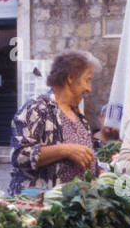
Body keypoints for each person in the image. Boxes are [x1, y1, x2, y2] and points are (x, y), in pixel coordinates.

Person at [8, 50, 100, 194]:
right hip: (41, 206)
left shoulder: (77, 114)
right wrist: (65, 150)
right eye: (87, 80)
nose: (89, 89)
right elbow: (19, 156)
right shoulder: (37, 107)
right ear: (70, 78)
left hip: (73, 207)